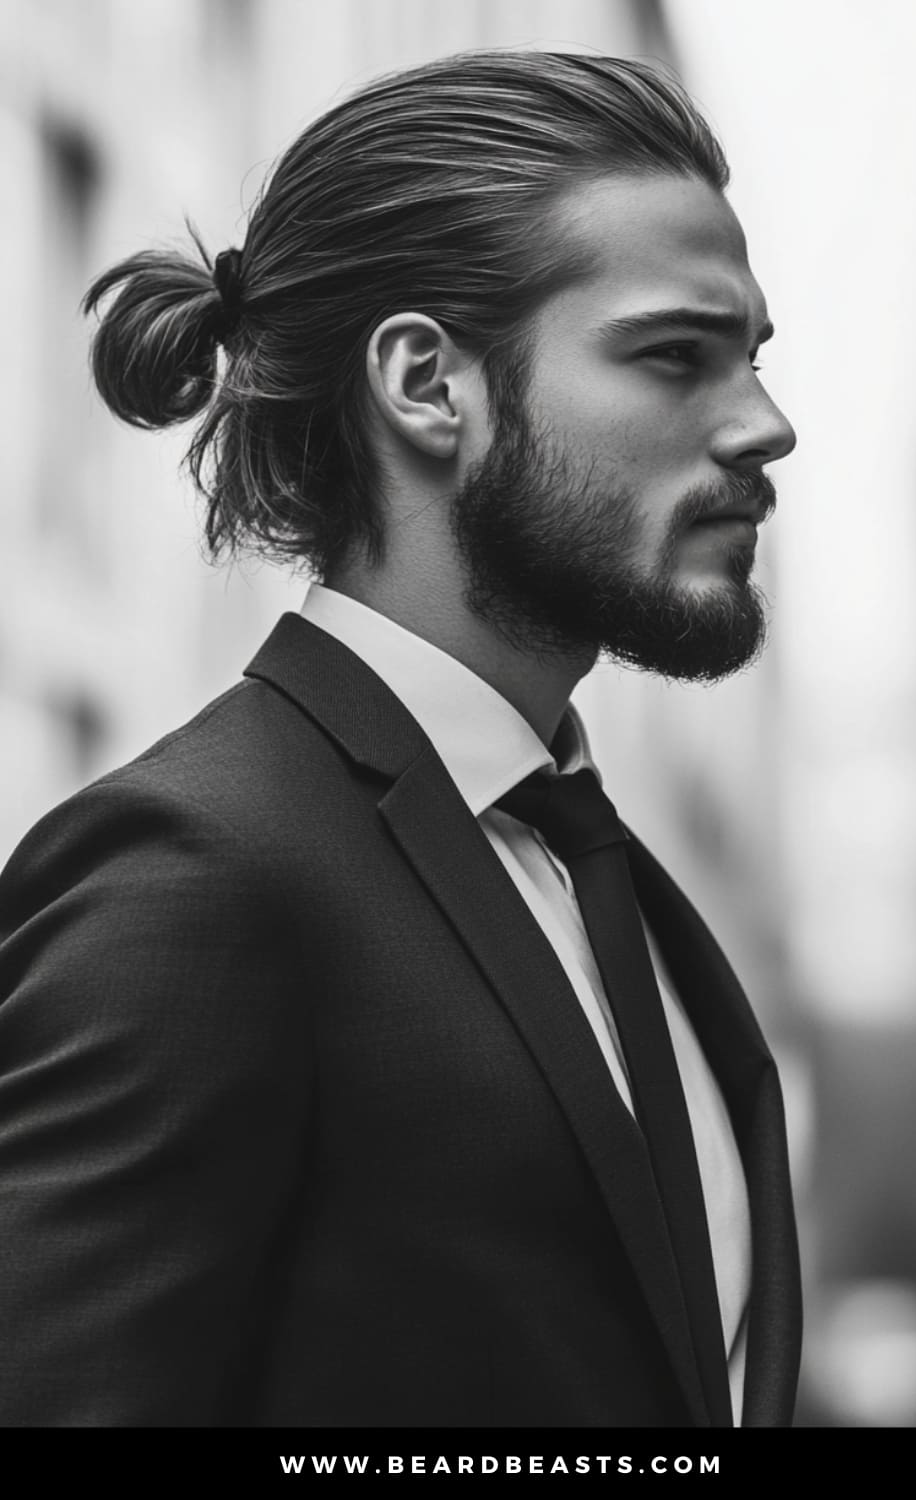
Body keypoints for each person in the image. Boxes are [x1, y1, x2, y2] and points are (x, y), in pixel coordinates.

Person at [0, 49, 800, 1428]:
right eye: (676, 354)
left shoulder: (604, 878)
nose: (765, 425)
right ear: (429, 383)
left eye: (753, 360)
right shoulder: (193, 877)